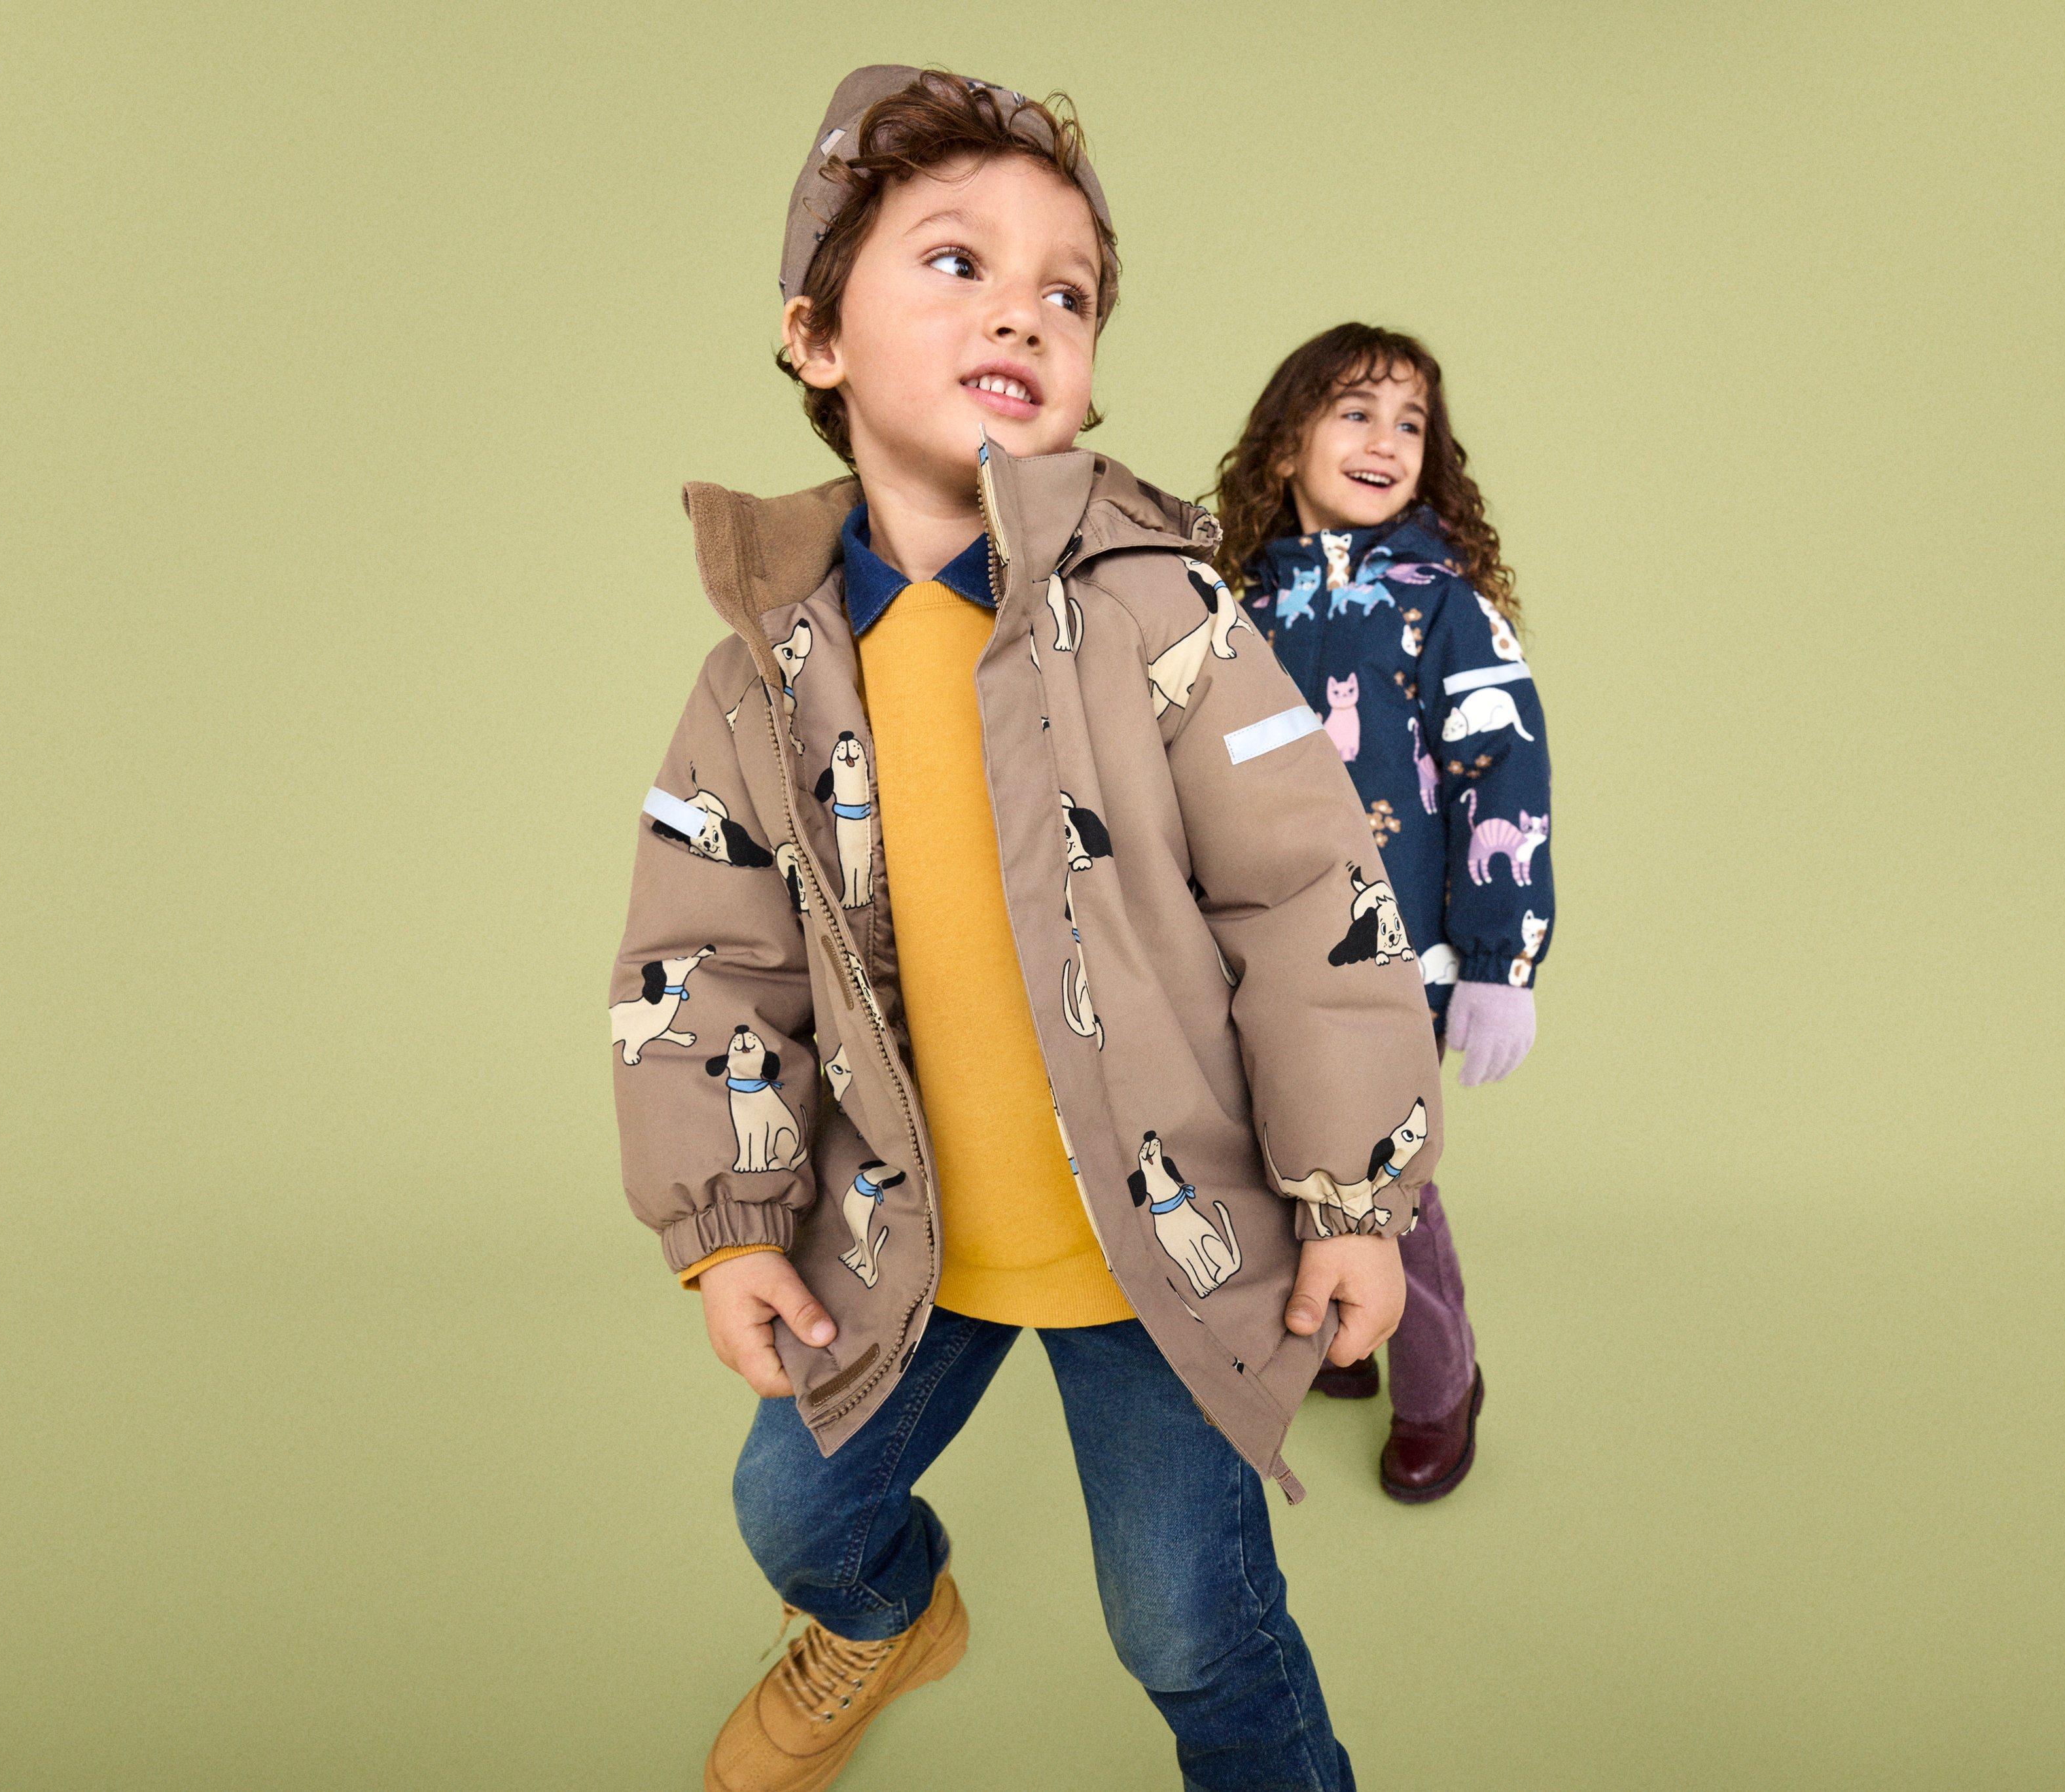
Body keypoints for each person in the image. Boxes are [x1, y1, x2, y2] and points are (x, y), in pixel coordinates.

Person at [607, 68, 1445, 1791]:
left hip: (1167, 1252)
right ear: (815, 337)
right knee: (788, 1501)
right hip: (903, 1231)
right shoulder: (757, 676)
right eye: (953, 263)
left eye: (1064, 291)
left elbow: (1308, 894)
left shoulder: (1155, 609)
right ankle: (888, 1612)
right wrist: (733, 1219)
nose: (1021, 308)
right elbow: (707, 958)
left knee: (1187, 1626)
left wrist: (1352, 1198)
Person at [1210, 322, 1556, 1503]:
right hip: (1255, 956)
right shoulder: (1234, 602)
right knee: (1279, 1154)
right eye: (1356, 412)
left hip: (1395, 960)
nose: (1386, 441)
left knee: (1385, 1181)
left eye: (1411, 424)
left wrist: (1503, 963)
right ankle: (1342, 1335)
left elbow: (1503, 773)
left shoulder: (1441, 605)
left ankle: (1438, 1382)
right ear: (1288, 439)